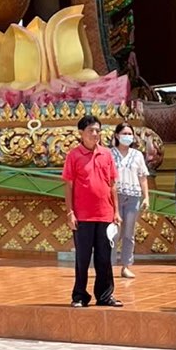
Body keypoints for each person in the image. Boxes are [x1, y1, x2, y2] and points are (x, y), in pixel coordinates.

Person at [63, 114, 121, 308]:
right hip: (83, 216)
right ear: (81, 133)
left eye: (97, 130)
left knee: (104, 258)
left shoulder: (106, 154)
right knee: (83, 258)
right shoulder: (74, 155)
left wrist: (116, 212)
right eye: (91, 131)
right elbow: (69, 185)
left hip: (105, 214)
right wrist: (70, 212)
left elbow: (112, 184)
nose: (95, 134)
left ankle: (105, 295)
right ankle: (79, 295)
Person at [109, 122, 149, 278]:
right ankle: (109, 265)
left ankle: (126, 265)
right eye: (124, 134)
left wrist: (146, 197)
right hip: (115, 196)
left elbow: (142, 176)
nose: (127, 137)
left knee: (128, 233)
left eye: (129, 134)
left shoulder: (137, 155)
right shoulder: (110, 154)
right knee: (113, 233)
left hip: (133, 196)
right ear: (117, 136)